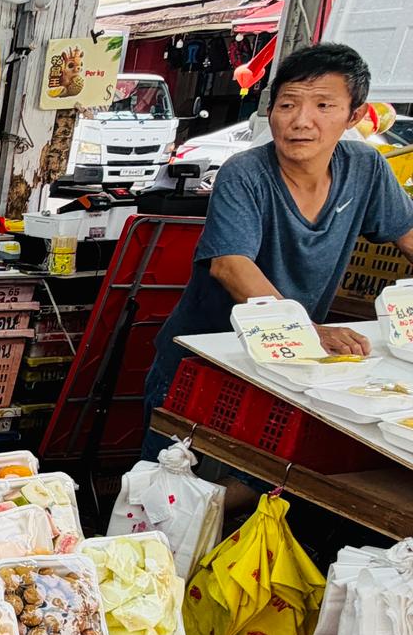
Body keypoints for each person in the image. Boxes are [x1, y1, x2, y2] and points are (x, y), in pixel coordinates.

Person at [142, 42, 413, 442]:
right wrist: (308, 329)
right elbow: (230, 264)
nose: (301, 121)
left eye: (323, 106)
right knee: (172, 478)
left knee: (264, 478)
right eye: (287, 105)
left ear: (354, 115)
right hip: (211, 356)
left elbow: (408, 235)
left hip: (294, 362)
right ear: (271, 111)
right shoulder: (245, 173)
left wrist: (307, 335)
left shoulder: (365, 168)